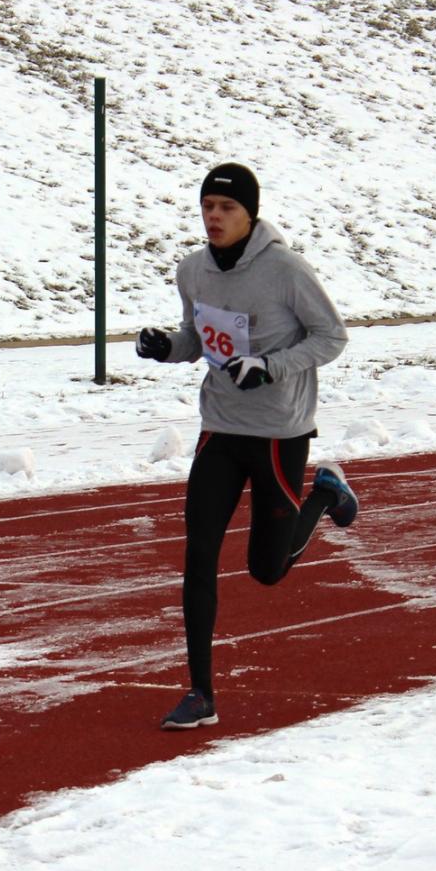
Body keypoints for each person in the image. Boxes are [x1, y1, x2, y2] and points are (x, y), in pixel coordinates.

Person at [136, 162, 360, 731]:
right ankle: (200, 694)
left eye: (227, 208)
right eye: (208, 206)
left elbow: (331, 337)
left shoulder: (286, 270)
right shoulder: (192, 271)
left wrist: (271, 367)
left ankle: (324, 494)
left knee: (267, 569)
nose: (214, 216)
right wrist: (166, 346)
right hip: (221, 425)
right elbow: (199, 339)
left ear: (250, 214)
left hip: (279, 432)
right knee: (198, 556)